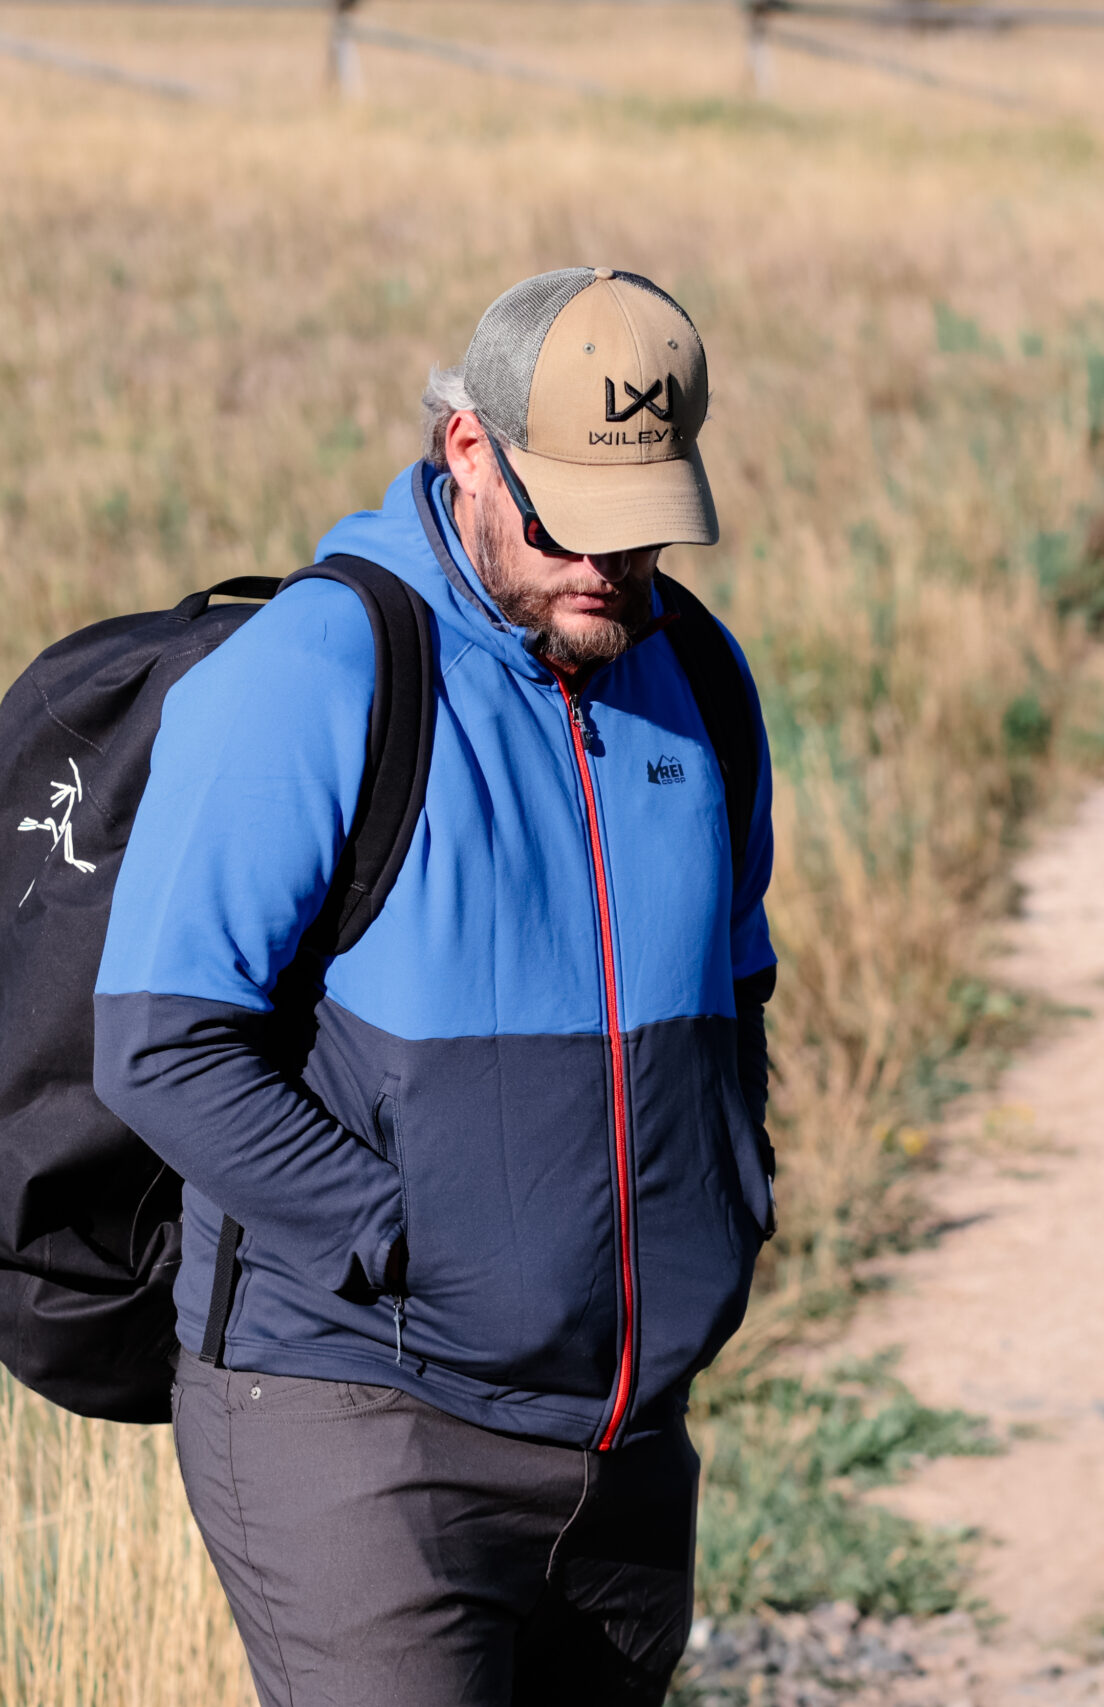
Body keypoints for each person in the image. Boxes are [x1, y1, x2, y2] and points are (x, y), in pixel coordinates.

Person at [93, 267, 777, 1707]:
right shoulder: (323, 670)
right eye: (569, 519)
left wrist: (724, 1205)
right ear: (470, 449)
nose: (609, 565)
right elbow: (159, 1042)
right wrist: (408, 1238)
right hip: (360, 1417)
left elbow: (739, 986)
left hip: (625, 1437)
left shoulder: (699, 678)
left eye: (643, 524)